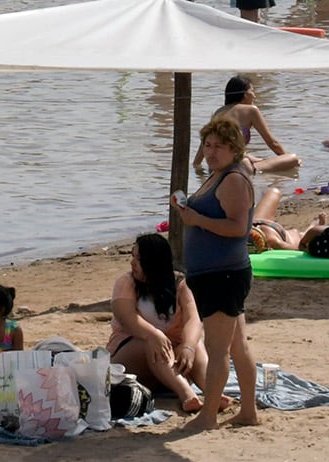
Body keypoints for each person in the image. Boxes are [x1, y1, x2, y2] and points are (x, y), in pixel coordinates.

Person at [174, 116, 258, 430]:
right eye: (207, 145)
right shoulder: (219, 175)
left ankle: (208, 416)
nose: (211, 152)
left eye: (219, 147)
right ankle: (248, 412)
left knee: (218, 350)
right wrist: (189, 213)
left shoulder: (234, 179)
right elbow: (207, 214)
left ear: (234, 149)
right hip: (216, 273)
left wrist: (197, 221)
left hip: (223, 274)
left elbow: (239, 228)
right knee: (237, 347)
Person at [107, 234, 214, 409]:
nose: (132, 263)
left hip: (171, 366)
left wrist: (188, 346)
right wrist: (154, 334)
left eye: (139, 259)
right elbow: (126, 317)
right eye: (132, 257)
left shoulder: (180, 283)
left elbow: (193, 318)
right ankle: (187, 395)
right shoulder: (126, 282)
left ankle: (211, 391)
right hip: (132, 362)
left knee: (196, 344)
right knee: (151, 342)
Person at [193, 75, 301, 175]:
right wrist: (285, 158)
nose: (254, 95)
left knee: (256, 158)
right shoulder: (251, 110)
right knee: (294, 159)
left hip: (217, 166)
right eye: (252, 91)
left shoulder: (219, 112)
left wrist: (199, 170)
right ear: (244, 94)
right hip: (239, 167)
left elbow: (203, 148)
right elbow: (272, 143)